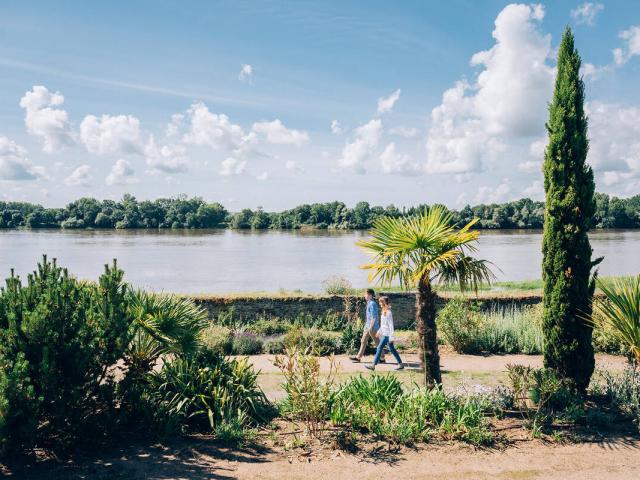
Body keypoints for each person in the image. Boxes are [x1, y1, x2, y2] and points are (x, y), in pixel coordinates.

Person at [365, 296, 404, 371]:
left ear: (384, 302)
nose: (379, 303)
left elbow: (391, 325)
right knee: (391, 349)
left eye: (380, 302)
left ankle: (373, 365)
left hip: (387, 335)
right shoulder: (383, 312)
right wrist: (379, 331)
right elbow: (383, 325)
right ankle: (400, 364)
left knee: (380, 348)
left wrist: (391, 337)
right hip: (385, 334)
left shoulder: (389, 312)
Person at [349, 288, 385, 363]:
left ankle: (382, 358)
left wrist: (371, 327)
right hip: (368, 326)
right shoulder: (369, 303)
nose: (365, 296)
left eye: (367, 294)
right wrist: (367, 326)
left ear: (371, 295)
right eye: (365, 294)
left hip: (373, 327)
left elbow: (373, 316)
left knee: (377, 342)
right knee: (363, 341)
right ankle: (358, 357)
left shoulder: (372, 304)